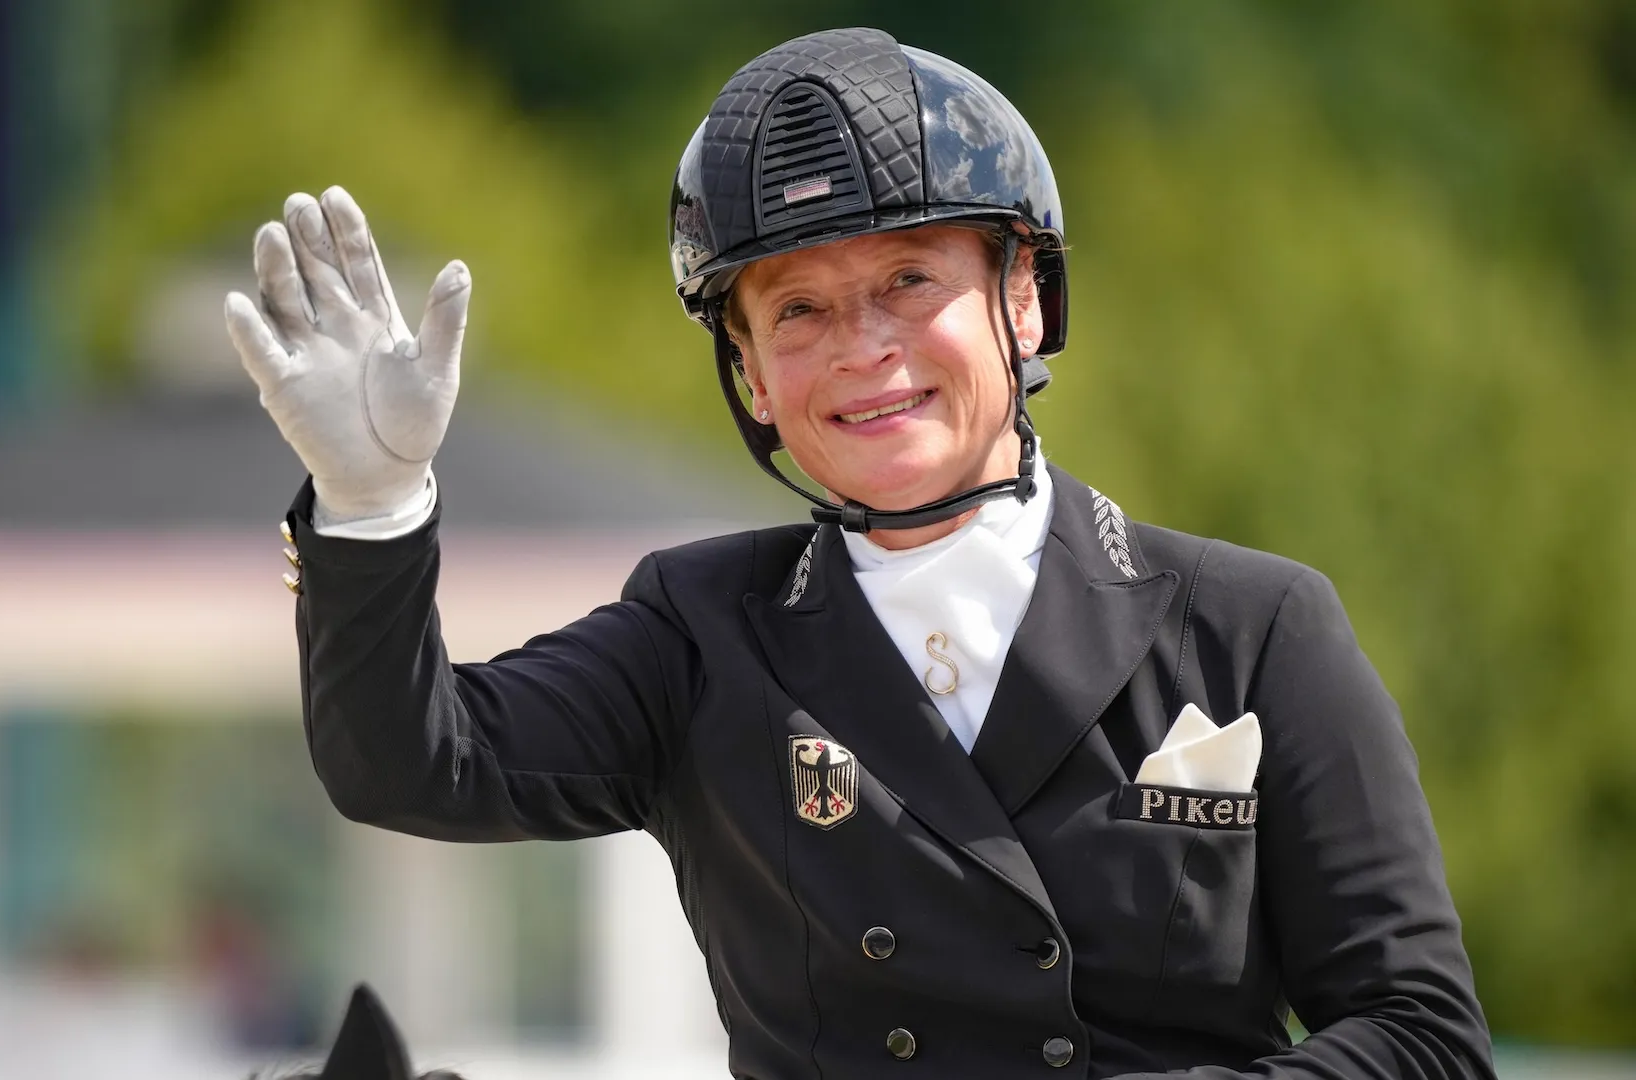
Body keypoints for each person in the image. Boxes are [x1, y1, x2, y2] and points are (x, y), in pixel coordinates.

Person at [223, 27, 1494, 1080]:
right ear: (751, 377)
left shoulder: (1253, 627)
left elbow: (1423, 1039)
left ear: (1024, 298)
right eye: (799, 311)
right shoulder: (696, 631)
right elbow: (412, 765)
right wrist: (371, 502)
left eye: (909, 283)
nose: (863, 348)